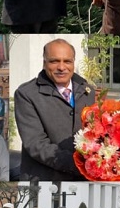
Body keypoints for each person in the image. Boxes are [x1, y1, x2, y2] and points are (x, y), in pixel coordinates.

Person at [14, 38, 95, 180]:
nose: (61, 67)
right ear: (44, 63)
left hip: (83, 179)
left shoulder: (88, 91)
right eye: (54, 61)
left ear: (73, 63)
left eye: (67, 61)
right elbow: (36, 144)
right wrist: (79, 164)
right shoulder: (27, 94)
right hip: (44, 179)